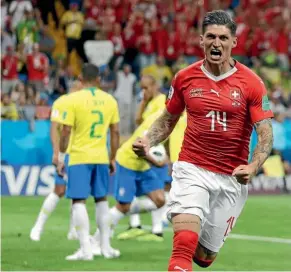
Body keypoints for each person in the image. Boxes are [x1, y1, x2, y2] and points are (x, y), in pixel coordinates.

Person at [133, 10, 274, 271]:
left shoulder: (252, 83)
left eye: (222, 37)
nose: (216, 43)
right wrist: (147, 140)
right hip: (192, 168)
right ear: (201, 40)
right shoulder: (185, 78)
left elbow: (265, 132)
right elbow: (168, 119)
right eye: (210, 36)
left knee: (204, 257)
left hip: (231, 177)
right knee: (184, 240)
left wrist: (253, 166)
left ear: (233, 42)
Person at [56, 63, 120, 261]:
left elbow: (65, 131)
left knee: (78, 201)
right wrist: (112, 157)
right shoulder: (110, 100)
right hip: (101, 156)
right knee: (101, 200)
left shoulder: (73, 99)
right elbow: (115, 132)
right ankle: (106, 247)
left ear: (80, 79)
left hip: (79, 157)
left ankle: (85, 250)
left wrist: (61, 154)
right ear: (99, 80)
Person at [30, 80, 82, 242]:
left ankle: (73, 231)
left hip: (80, 153)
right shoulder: (62, 102)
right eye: (80, 88)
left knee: (78, 194)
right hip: (65, 153)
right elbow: (55, 128)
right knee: (59, 189)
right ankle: (37, 227)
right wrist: (57, 152)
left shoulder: (84, 103)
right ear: (74, 89)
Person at [108, 110, 167, 241]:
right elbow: (138, 146)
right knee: (123, 206)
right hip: (127, 161)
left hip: (142, 165)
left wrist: (166, 157)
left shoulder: (174, 119)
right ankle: (104, 231)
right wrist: (157, 163)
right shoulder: (158, 119)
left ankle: (113, 215)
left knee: (160, 200)